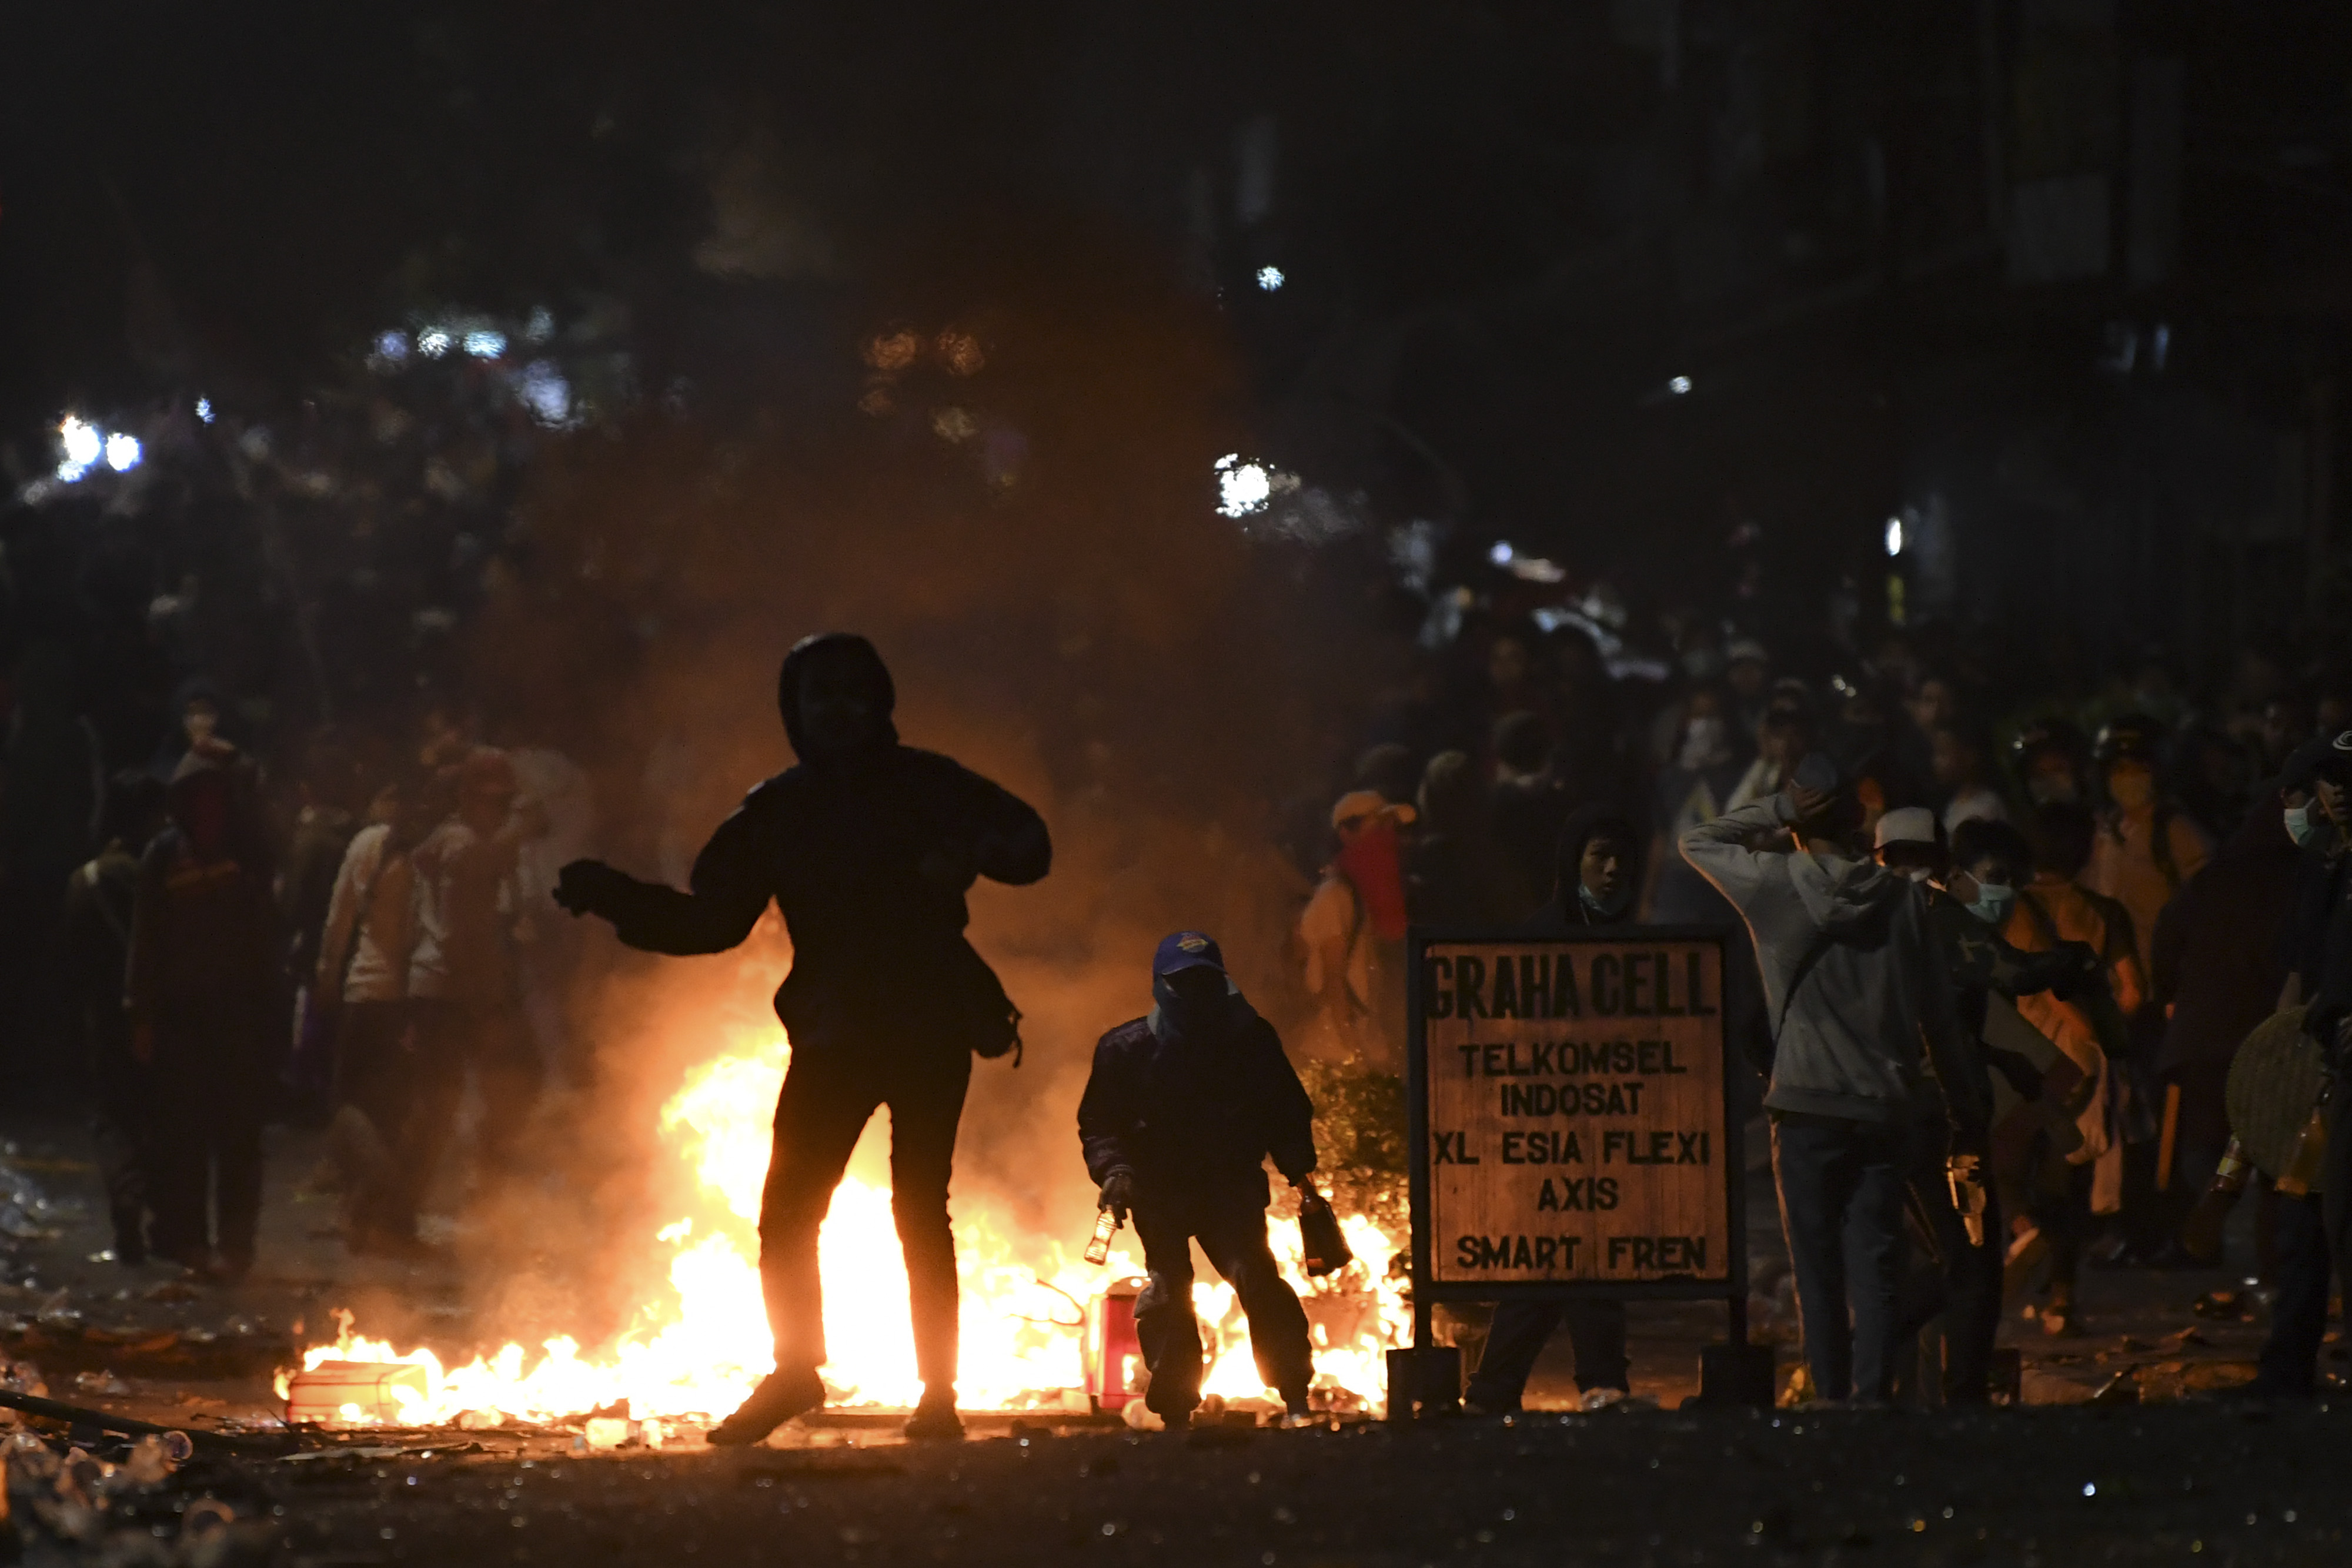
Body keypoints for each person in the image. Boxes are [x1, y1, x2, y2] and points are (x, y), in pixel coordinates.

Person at [554, 632, 1050, 1444]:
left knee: (921, 1207)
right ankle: (796, 1371)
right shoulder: (777, 811)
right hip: (836, 1033)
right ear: (796, 711)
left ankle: (937, 1396)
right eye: (821, 695)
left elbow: (1031, 846)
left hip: (926, 1022)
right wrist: (611, 894)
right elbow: (709, 921)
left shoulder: (931, 784)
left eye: (855, 693)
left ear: (881, 702)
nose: (839, 710)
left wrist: (965, 852)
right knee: (790, 1211)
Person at [1682, 753, 1985, 1406]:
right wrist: (1965, 1112)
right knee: (1875, 1266)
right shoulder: (1906, 902)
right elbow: (1940, 1022)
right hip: (1885, 1110)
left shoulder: (1771, 885)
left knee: (1816, 1270)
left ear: (1800, 824)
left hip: (1805, 1109)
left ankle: (1829, 1397)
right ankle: (1873, 1400)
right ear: (1857, 826)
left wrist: (1783, 807)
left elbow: (1698, 839)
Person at [1078, 931, 1319, 1430]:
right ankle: (1175, 1407)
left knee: (1258, 1280)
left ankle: (1295, 1393)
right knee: (1169, 1291)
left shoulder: (1251, 1040)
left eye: (1206, 982)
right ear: (1162, 986)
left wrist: (1300, 1170)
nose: (1196, 995)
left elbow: (1284, 1110)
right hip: (1158, 1193)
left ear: (1222, 983)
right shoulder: (1125, 1049)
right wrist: (1116, 1171)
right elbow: (1101, 1123)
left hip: (1227, 1188)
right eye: (1184, 982)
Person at [1463, 807, 1643, 1414]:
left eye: (1622, 858)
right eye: (1600, 857)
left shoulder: (1637, 942)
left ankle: (1501, 1391)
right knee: (1560, 1260)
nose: (1614, 870)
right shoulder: (1536, 937)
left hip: (1604, 1129)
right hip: (1540, 1132)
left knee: (1566, 1264)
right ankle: (1594, 1384)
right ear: (1574, 864)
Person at [125, 740, 279, 1280]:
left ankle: (236, 1246)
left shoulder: (247, 851)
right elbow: (144, 941)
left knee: (239, 1136)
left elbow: (270, 833)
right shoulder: (165, 856)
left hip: (238, 1014)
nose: (209, 806)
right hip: (182, 1017)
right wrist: (141, 1013)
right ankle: (188, 1239)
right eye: (199, 795)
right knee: (182, 1135)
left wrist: (237, 759)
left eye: (217, 794)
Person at [2004, 803, 2143, 1332]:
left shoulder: (2007, 909)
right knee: (2067, 1179)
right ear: (2086, 850)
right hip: (2082, 1063)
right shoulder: (2104, 913)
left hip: (2017, 1055)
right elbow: (2135, 990)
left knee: (2007, 1165)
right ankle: (2063, 1298)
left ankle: (2020, 1230)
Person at [2247, 731, 2352, 1397]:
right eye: (2329, 779)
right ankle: (2286, 1370)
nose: (2338, 791)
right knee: (2310, 1219)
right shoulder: (2325, 869)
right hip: (2323, 1064)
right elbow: (2299, 971)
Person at [407, 748, 547, 1194]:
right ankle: (394, 1206)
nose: (503, 811)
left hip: (479, 990)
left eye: (506, 802)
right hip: (453, 991)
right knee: (439, 1105)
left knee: (512, 1085)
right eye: (494, 802)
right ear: (469, 800)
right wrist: (486, 1001)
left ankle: (487, 1183)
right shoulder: (460, 842)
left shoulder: (489, 846)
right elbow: (463, 929)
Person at [313, 772, 433, 1253]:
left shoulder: (366, 844)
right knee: (388, 1110)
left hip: (362, 993)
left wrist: (326, 976)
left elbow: (339, 917)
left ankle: (361, 1212)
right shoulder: (427, 856)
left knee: (349, 1103)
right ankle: (375, 1205)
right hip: (400, 999)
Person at [59, 771, 168, 1264]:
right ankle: (166, 1217)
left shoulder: (86, 880)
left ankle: (125, 1199)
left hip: (105, 1016)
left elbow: (70, 959)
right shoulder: (163, 872)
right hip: (162, 1012)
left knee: (113, 1115)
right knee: (159, 1113)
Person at [2085, 714, 2211, 989]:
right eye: (2119, 769)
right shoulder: (2105, 834)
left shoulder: (2176, 830)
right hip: (2126, 991)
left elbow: (2211, 906)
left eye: (2138, 769)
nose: (2128, 779)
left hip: (2174, 985)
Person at [1297, 790, 1415, 1066]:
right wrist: (1355, 1052)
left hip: (1366, 1044)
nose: (1389, 837)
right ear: (1346, 835)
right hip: (1336, 1053)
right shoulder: (1334, 896)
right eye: (1379, 827)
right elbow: (1334, 980)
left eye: (1391, 828)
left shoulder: (1363, 896)